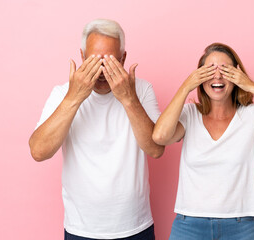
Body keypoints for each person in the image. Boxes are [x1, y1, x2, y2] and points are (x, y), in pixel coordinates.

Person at [152, 43, 254, 240]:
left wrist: (251, 85)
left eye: (224, 70)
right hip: (190, 225)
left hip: (242, 227)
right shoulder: (189, 115)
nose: (217, 76)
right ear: (199, 77)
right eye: (210, 70)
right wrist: (185, 87)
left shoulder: (252, 116)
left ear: (237, 76)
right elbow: (160, 136)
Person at [29, 19, 164, 240]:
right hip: (81, 229)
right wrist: (74, 97)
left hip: (135, 226)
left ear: (123, 58)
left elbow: (156, 149)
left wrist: (128, 99)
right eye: (94, 61)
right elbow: (38, 151)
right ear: (82, 57)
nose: (101, 70)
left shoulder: (142, 89)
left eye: (110, 61)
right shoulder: (62, 93)